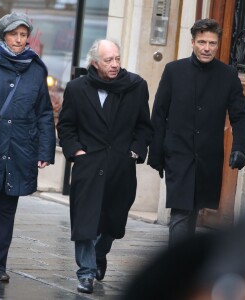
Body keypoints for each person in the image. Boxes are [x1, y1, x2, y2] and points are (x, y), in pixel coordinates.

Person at [57, 38, 153, 294]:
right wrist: (76, 152)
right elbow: (66, 125)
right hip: (88, 165)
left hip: (121, 166)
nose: (114, 65)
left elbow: (144, 125)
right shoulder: (77, 88)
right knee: (85, 221)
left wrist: (135, 151)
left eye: (117, 59)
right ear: (95, 63)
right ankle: (86, 273)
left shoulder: (136, 86)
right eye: (108, 60)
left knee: (112, 221)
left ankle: (100, 254)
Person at [0, 12, 56, 281]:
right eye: (13, 34)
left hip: (18, 149)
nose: (19, 40)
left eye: (23, 35)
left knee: (6, 210)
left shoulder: (36, 68)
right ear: (3, 35)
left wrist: (44, 150)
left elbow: (43, 113)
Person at [147, 18, 245, 246]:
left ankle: (182, 263)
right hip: (177, 153)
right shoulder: (174, 71)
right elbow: (159, 113)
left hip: (207, 156)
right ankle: (176, 269)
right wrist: (155, 153)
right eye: (202, 42)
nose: (207, 48)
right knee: (181, 210)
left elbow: (241, 116)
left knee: (192, 209)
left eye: (212, 43)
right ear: (193, 42)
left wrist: (240, 149)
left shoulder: (228, 75)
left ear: (217, 45)